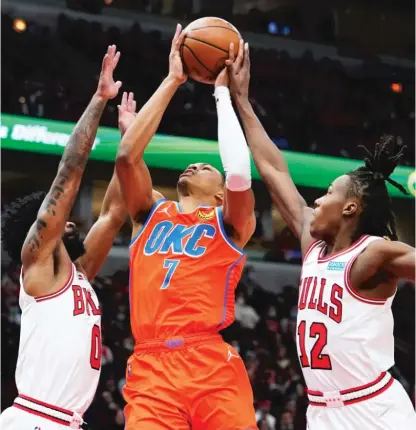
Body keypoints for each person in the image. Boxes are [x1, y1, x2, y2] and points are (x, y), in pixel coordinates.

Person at [226, 41, 416, 429]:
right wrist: (241, 101)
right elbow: (274, 170)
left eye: (328, 193)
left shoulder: (374, 254)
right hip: (322, 413)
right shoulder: (312, 244)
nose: (316, 198)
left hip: (374, 411)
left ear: (350, 208)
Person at [115, 25, 258, 429]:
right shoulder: (150, 212)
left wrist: (222, 94)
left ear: (219, 195)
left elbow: (239, 172)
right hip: (150, 367)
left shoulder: (230, 222)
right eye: (194, 163)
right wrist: (174, 78)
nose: (195, 164)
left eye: (206, 166)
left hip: (209, 363)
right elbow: (127, 157)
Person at [0, 46, 130, 430]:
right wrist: (100, 99)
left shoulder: (78, 274)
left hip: (68, 422)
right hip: (35, 419)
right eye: (64, 220)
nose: (71, 224)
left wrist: (129, 142)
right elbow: (70, 171)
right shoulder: (38, 264)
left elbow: (113, 212)